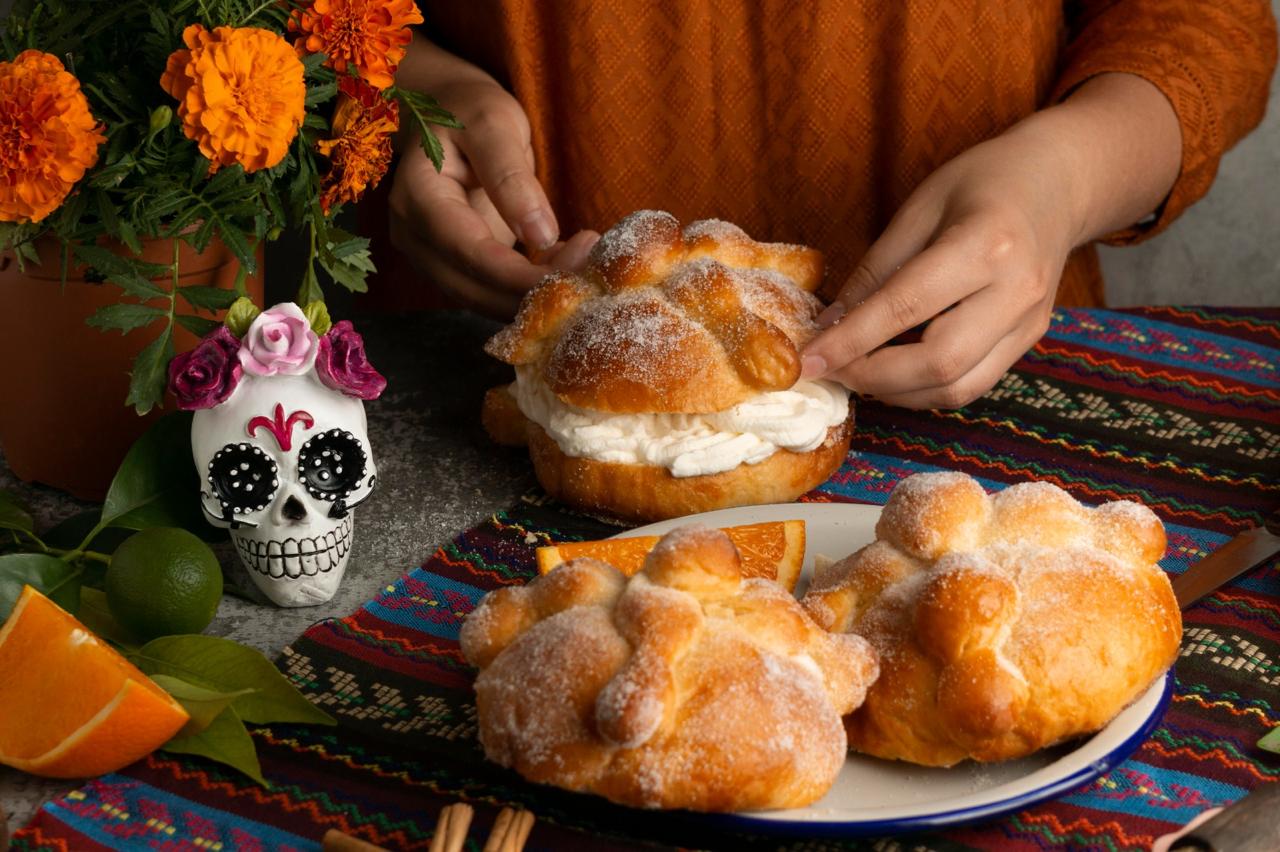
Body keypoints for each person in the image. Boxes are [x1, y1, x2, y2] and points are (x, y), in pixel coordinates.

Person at [387, 2, 1276, 410]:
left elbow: (1205, 22)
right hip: (470, 383)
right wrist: (402, 85)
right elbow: (275, 12)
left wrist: (1069, 174)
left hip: (984, 376)